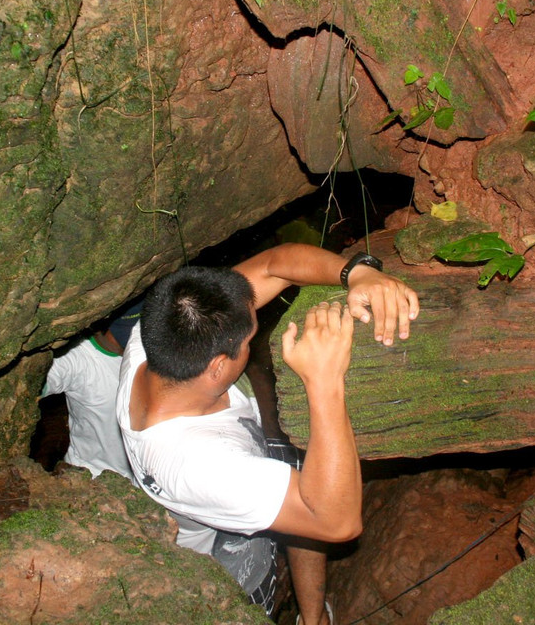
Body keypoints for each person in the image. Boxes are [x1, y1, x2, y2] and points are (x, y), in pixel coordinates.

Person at [115, 243, 419, 624]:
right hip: (222, 552)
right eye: (247, 342)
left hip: (239, 447)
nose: (252, 343)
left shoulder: (159, 336)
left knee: (304, 472)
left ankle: (312, 618)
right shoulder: (201, 466)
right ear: (217, 367)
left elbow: (275, 266)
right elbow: (337, 522)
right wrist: (324, 381)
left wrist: (358, 273)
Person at [40, 303, 142, 480]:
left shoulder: (153, 350)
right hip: (93, 478)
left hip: (146, 481)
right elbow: (26, 386)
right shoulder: (76, 357)